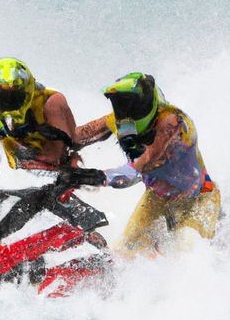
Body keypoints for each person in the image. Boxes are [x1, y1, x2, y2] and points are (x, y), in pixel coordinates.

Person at [75, 72, 221, 254]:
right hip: (156, 199)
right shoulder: (119, 120)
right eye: (121, 105)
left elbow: (139, 167)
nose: (126, 113)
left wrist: (94, 177)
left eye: (132, 105)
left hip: (198, 198)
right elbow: (77, 136)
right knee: (123, 254)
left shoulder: (172, 122)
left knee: (185, 252)